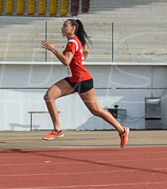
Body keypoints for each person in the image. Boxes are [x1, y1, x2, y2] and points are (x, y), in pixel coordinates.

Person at [40, 18, 129, 146]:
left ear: (73, 29)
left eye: (65, 26)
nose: (62, 28)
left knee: (96, 110)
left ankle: (122, 130)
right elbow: (81, 57)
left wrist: (53, 49)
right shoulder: (76, 42)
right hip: (73, 80)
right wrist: (84, 54)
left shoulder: (72, 42)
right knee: (49, 97)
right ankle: (57, 129)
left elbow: (66, 61)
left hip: (83, 80)